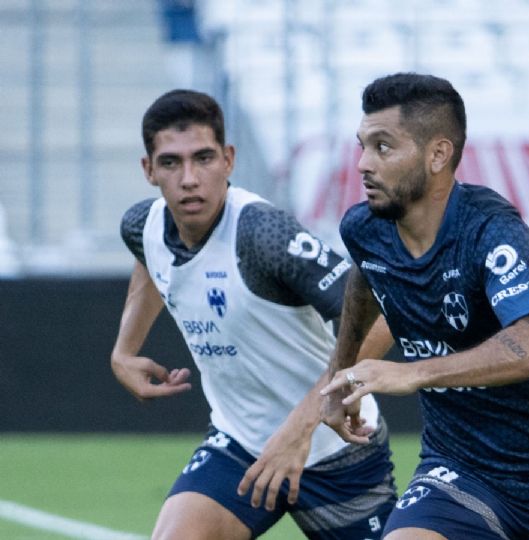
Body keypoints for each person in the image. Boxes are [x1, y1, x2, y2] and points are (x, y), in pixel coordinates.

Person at [245, 73, 529, 539]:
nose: (361, 164)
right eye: (361, 146)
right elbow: (366, 277)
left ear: (438, 154)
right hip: (460, 471)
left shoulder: (489, 230)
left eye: (382, 147)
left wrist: (411, 372)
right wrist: (341, 374)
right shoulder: (365, 228)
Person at [111, 89, 397, 539]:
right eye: (170, 162)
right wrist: (124, 350)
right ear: (148, 171)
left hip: (334, 448)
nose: (189, 178)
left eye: (203, 158)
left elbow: (379, 320)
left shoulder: (263, 235)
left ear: (228, 159)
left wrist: (302, 426)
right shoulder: (140, 224)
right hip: (240, 445)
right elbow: (149, 255)